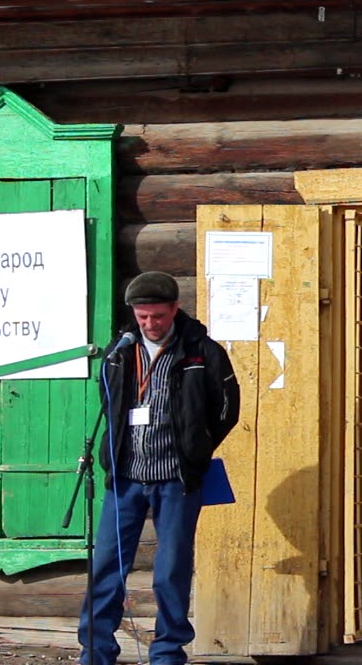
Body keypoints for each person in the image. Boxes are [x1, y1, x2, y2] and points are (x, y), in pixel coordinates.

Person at [78, 271, 240, 665]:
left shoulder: (202, 350)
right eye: (143, 316)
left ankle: (167, 652)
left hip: (177, 478)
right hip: (126, 476)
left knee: (170, 569)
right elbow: (110, 402)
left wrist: (195, 449)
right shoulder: (120, 350)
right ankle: (97, 650)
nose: (150, 324)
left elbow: (226, 410)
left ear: (174, 309)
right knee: (106, 567)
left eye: (158, 317)